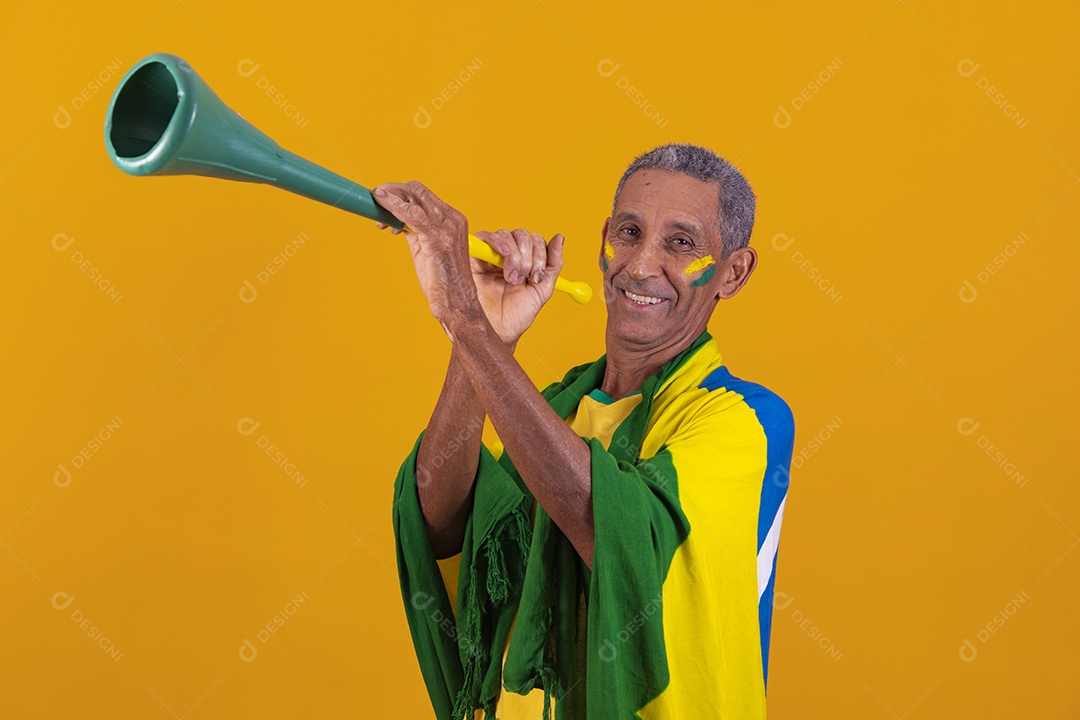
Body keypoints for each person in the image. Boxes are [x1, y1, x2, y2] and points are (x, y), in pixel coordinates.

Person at [375, 143, 795, 720]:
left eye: (681, 243)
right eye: (628, 232)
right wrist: (488, 338)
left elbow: (616, 533)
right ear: (604, 241)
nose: (642, 265)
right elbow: (442, 521)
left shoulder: (744, 420)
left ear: (733, 273)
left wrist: (465, 318)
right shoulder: (555, 413)